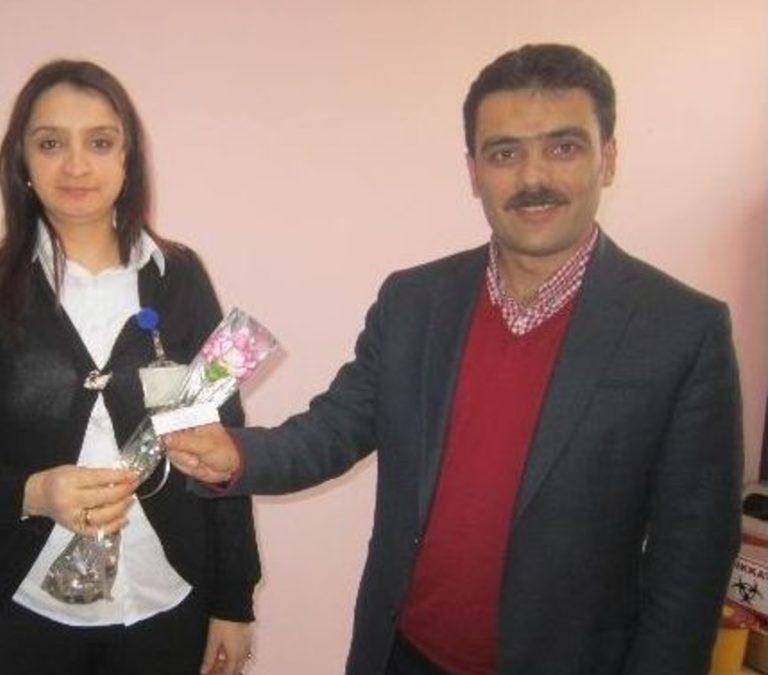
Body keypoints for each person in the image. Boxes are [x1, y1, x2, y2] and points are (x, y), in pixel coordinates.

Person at [166, 43, 742, 675]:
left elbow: (692, 564)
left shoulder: (682, 331)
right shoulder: (415, 301)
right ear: (473, 171)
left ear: (608, 158)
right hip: (402, 656)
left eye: (563, 147)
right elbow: (336, 428)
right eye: (504, 153)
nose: (533, 178)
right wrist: (236, 455)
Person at [0, 60, 260, 675]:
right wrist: (34, 493)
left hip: (167, 599)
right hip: (22, 608)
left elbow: (223, 447)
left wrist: (233, 601)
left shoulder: (180, 279)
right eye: (51, 144)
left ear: (129, 159)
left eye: (99, 143)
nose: (76, 166)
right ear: (21, 163)